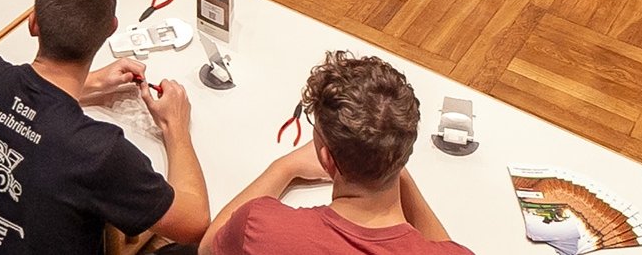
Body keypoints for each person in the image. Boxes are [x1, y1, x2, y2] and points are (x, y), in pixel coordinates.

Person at [0, 0, 209, 255]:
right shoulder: (99, 152)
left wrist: (93, 83)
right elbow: (194, 224)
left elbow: (31, 114)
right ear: (110, 30)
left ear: (33, 23)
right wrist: (175, 125)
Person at [201, 53, 470, 255]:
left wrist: (284, 167)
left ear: (326, 158)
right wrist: (395, 166)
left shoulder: (261, 226)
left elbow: (208, 247)